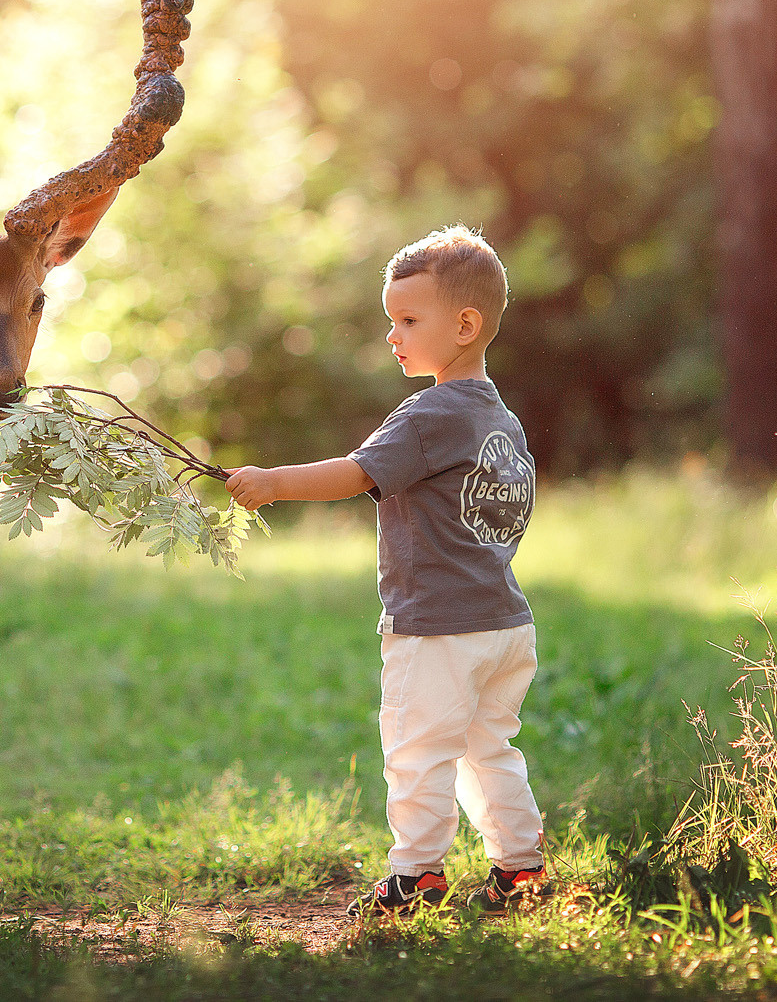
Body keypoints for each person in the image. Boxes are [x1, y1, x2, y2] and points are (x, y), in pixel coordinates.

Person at [226, 225, 545, 916]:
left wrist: (273, 481)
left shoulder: (430, 412)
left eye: (407, 320)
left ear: (465, 324)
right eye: (389, 320)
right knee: (491, 750)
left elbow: (357, 472)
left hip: (437, 626)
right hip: (503, 623)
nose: (392, 335)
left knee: (417, 750)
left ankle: (416, 875)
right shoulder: (503, 419)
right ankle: (519, 867)